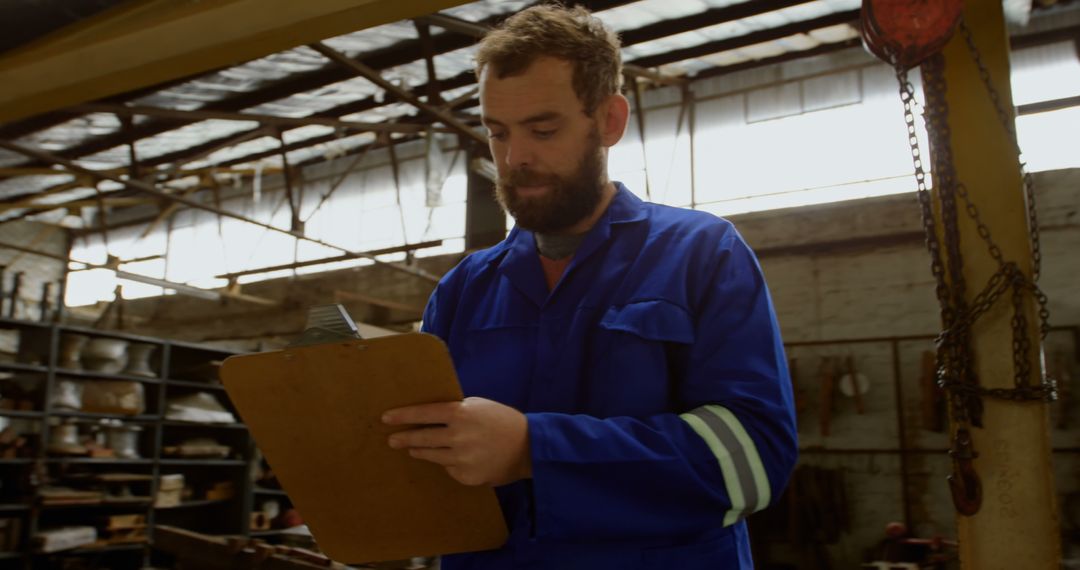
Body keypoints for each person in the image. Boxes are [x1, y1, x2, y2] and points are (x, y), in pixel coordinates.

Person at [381, 5, 798, 569]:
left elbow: (753, 461)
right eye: (497, 132)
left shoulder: (702, 254)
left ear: (609, 121)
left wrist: (536, 448)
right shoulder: (463, 291)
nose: (514, 157)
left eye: (543, 129)